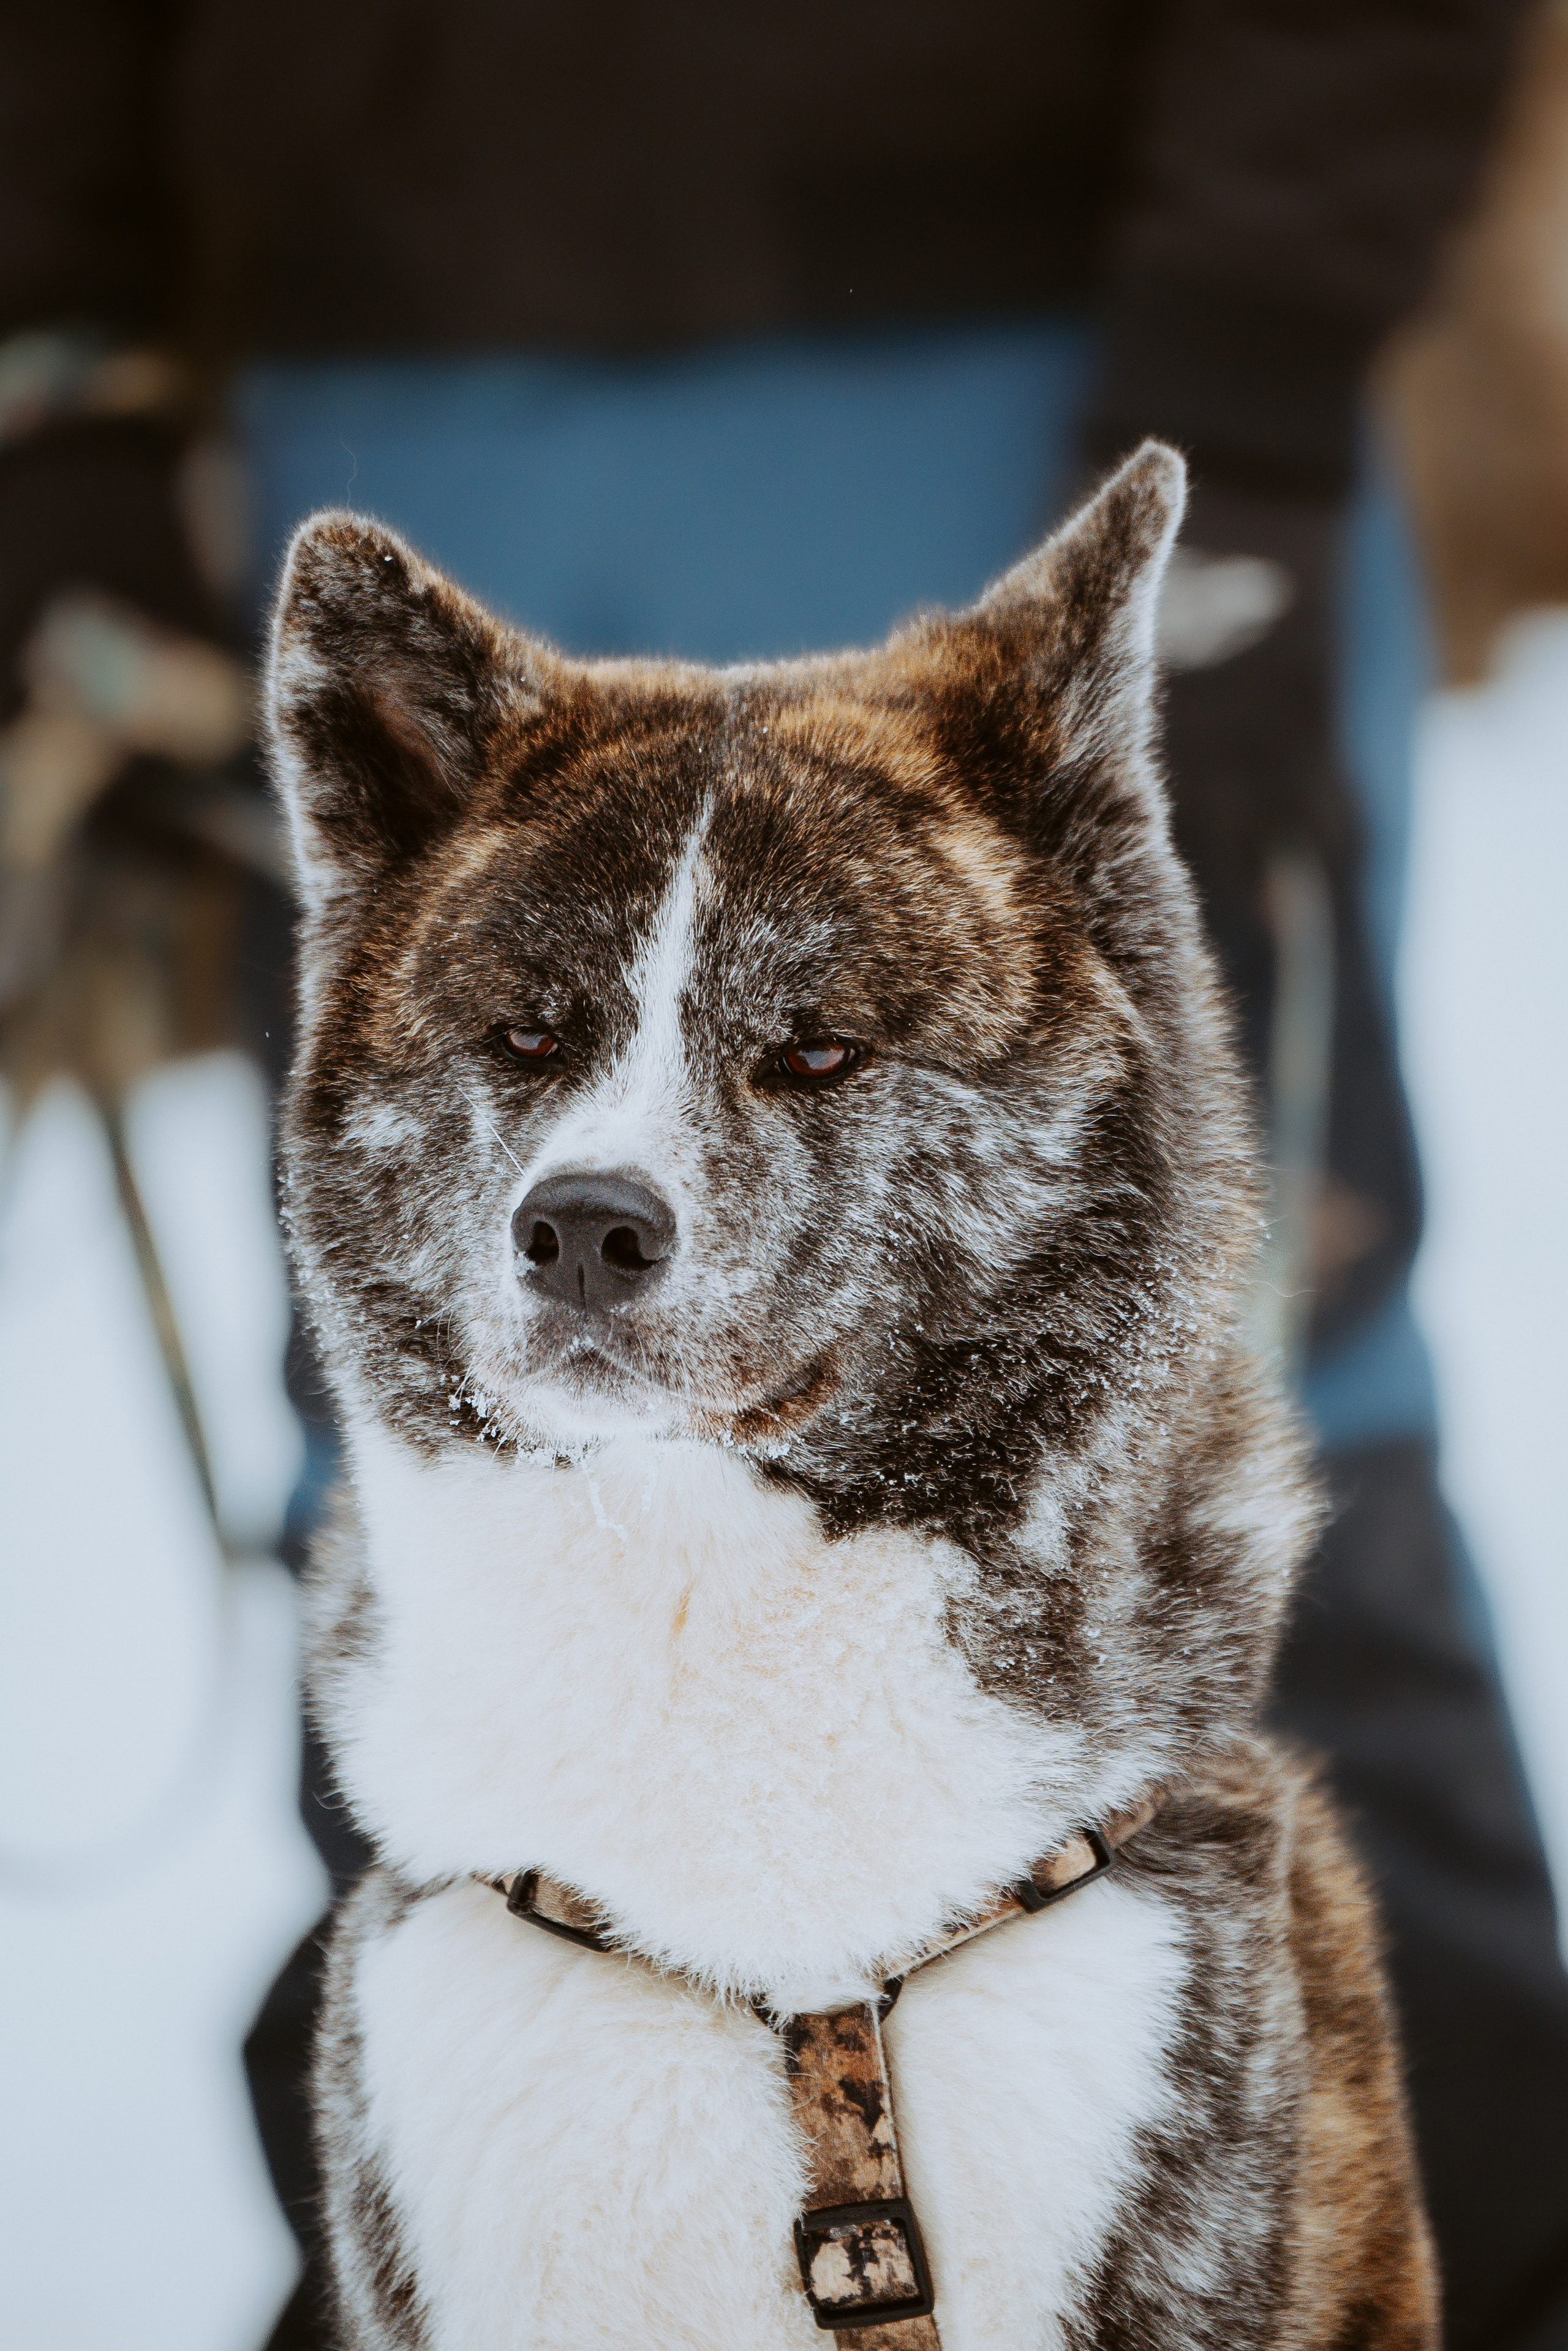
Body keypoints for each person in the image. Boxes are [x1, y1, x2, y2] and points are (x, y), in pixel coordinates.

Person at [2, 8, 1565, 2348]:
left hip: (1040, 350)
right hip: (391, 343)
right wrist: (54, 362)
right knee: (480, 1424)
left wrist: (1240, 357)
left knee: (1227, 1377)